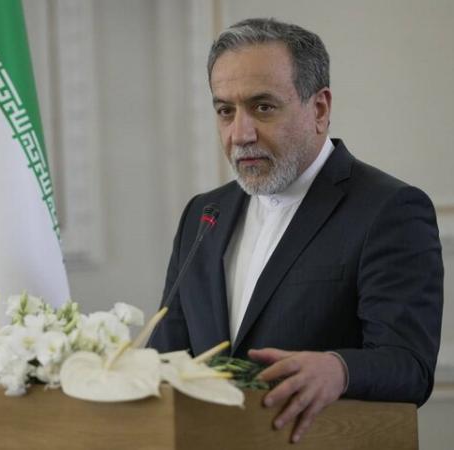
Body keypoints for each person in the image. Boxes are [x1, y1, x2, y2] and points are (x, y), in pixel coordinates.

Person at [148, 18, 443, 443]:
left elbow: (410, 366)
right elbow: (167, 354)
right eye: (225, 111)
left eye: (263, 107)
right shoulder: (203, 214)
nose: (240, 134)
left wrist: (340, 369)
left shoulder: (389, 209)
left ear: (319, 109)